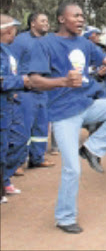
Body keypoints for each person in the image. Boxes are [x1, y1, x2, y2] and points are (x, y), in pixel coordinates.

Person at [27, 0, 106, 234]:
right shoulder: (46, 44)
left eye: (83, 16)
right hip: (64, 114)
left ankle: (92, 149)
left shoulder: (85, 44)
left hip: (86, 105)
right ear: (62, 19)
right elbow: (34, 80)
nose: (81, 19)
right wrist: (62, 81)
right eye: (76, 15)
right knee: (72, 169)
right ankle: (65, 217)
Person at [9, 12, 55, 171]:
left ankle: (37, 158)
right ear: (32, 23)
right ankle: (17, 163)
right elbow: (11, 63)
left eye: (47, 21)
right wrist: (14, 86)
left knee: (41, 127)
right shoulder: (20, 40)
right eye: (43, 20)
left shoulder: (48, 42)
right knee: (23, 128)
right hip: (25, 91)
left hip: (43, 90)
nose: (46, 23)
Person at [0, 15, 31, 200]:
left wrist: (16, 87)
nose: (15, 32)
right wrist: (21, 81)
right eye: (13, 28)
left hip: (11, 104)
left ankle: (4, 179)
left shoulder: (8, 52)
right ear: (6, 30)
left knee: (20, 140)